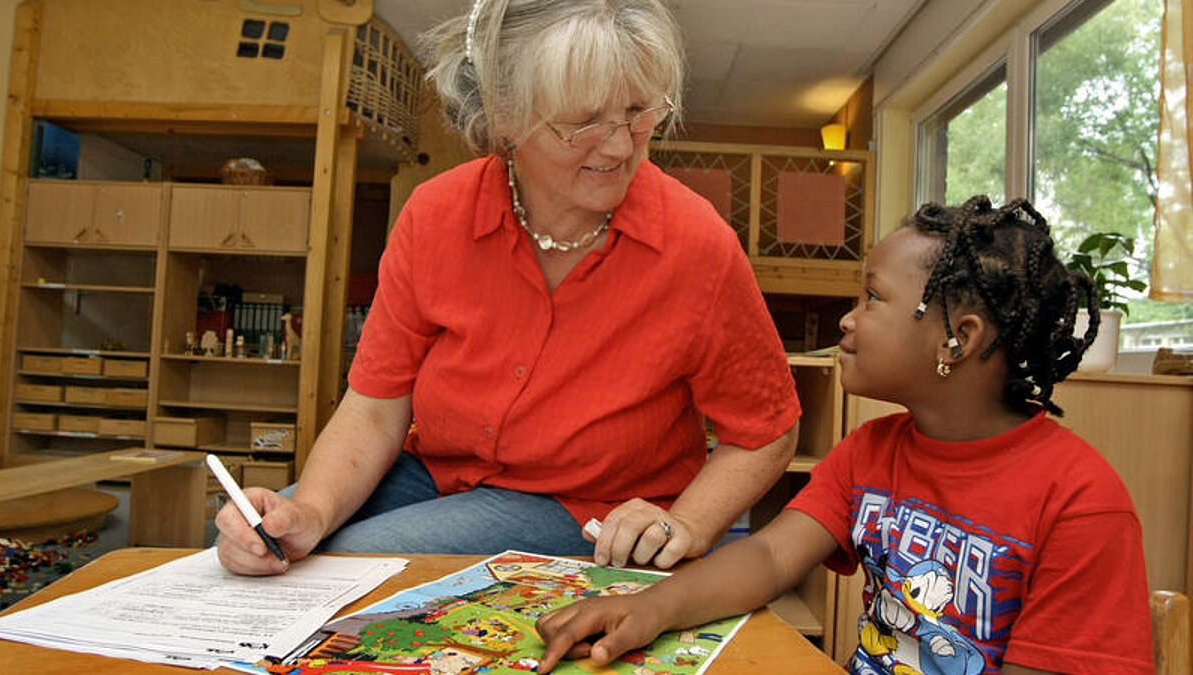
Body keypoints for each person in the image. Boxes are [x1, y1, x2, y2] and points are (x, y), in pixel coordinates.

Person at [214, 0, 801, 577]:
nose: (622, 145)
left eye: (638, 110)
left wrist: (688, 525)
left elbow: (767, 430)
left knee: (351, 565)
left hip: (586, 506)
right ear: (504, 116)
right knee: (259, 544)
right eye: (583, 120)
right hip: (436, 470)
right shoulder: (435, 215)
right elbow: (375, 408)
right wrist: (310, 512)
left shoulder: (696, 244)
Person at [536, 196, 1153, 674]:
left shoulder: (1080, 500)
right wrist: (649, 609)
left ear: (956, 339)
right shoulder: (870, 452)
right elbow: (772, 555)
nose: (847, 319)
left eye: (872, 298)